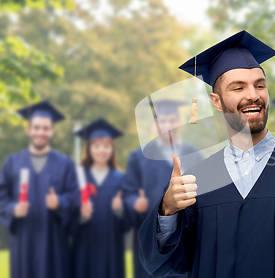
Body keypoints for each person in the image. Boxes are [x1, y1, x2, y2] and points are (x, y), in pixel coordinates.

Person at [137, 30, 275, 278]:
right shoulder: (198, 181)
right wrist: (168, 210)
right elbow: (172, 263)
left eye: (260, 85)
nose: (253, 95)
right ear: (216, 101)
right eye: (238, 87)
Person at [122, 100, 203, 278]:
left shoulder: (195, 154)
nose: (167, 125)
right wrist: (134, 202)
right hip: (151, 238)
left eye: (172, 119)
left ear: (179, 121)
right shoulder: (139, 157)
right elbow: (127, 194)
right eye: (162, 121)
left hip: (184, 238)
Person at [0, 100, 80, 278]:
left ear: (52, 130)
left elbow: (75, 198)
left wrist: (60, 202)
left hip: (54, 243)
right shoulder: (12, 163)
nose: (40, 132)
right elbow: (1, 197)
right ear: (28, 129)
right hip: (23, 242)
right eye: (36, 127)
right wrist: (13, 209)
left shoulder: (65, 164)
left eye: (45, 128)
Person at [71, 118, 131, 278]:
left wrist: (120, 210)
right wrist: (81, 216)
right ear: (89, 149)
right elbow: (67, 218)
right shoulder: (78, 179)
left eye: (106, 146)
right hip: (84, 248)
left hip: (111, 248)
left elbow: (128, 222)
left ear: (112, 149)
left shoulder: (121, 179)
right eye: (96, 146)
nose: (101, 150)